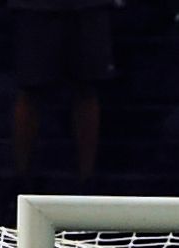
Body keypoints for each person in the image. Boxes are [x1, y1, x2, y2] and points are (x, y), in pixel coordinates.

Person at [9, 0, 114, 183]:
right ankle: (20, 180)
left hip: (88, 7)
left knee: (87, 89)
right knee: (30, 90)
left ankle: (87, 182)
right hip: (34, 8)